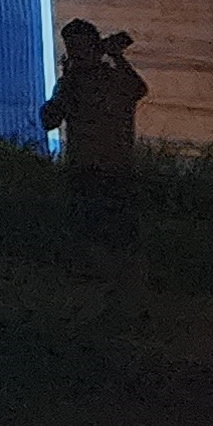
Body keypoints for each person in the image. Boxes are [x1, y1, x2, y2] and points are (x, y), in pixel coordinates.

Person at [41, 20, 151, 324]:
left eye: (80, 46)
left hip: (115, 170)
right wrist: (66, 84)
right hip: (85, 171)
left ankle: (127, 305)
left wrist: (116, 57)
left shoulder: (110, 78)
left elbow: (138, 89)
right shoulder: (72, 82)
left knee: (119, 241)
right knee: (93, 242)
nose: (75, 53)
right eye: (71, 47)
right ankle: (106, 305)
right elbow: (49, 119)